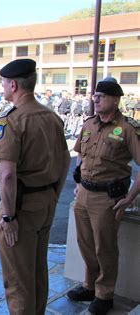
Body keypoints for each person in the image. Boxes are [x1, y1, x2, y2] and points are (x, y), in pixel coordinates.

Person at [0, 59, 70, 314]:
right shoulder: (51, 116)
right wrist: (54, 195)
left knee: (18, 280)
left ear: (13, 84)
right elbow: (66, 159)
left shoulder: (12, 120)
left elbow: (7, 175)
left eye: (3, 83)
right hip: (45, 201)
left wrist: (9, 215)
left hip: (21, 208)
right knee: (37, 271)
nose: (1, 87)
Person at [67, 78, 139, 314]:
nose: (95, 99)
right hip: (84, 194)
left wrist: (129, 198)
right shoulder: (89, 124)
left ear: (116, 100)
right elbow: (80, 155)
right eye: (95, 95)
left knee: (105, 248)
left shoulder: (128, 129)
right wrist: (79, 180)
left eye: (101, 96)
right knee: (85, 244)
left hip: (107, 198)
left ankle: (104, 294)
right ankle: (89, 286)